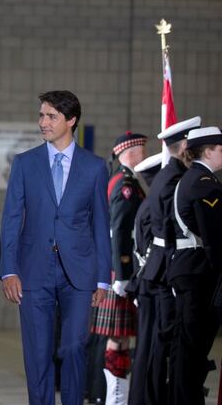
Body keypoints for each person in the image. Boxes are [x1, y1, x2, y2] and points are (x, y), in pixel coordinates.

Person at [0, 90, 111, 405]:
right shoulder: (24, 163)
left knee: (74, 346)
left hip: (79, 273)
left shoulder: (94, 167)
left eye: (51, 116)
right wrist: (9, 270)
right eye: (41, 115)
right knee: (37, 353)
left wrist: (103, 278)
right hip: (33, 271)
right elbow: (10, 221)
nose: (43, 123)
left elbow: (101, 225)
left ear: (71, 120)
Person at [138, 116, 201, 405]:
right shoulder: (175, 177)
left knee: (161, 339)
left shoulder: (167, 174)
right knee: (167, 339)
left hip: (159, 264)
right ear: (186, 144)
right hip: (167, 264)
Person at [89, 132, 147, 405]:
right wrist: (122, 274)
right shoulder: (124, 184)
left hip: (119, 270)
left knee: (121, 340)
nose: (144, 155)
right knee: (116, 339)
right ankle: (114, 398)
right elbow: (119, 231)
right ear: (129, 151)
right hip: (118, 272)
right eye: (141, 149)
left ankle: (117, 396)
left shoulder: (127, 181)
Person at [166, 126, 222, 405]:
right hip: (198, 272)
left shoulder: (189, 178)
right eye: (220, 148)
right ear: (208, 151)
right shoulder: (204, 182)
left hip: (186, 268)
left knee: (186, 346)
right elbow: (213, 235)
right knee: (193, 347)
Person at [126, 152, 163, 405]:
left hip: (145, 279)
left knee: (145, 347)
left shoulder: (147, 203)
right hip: (150, 281)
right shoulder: (152, 206)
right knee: (148, 348)